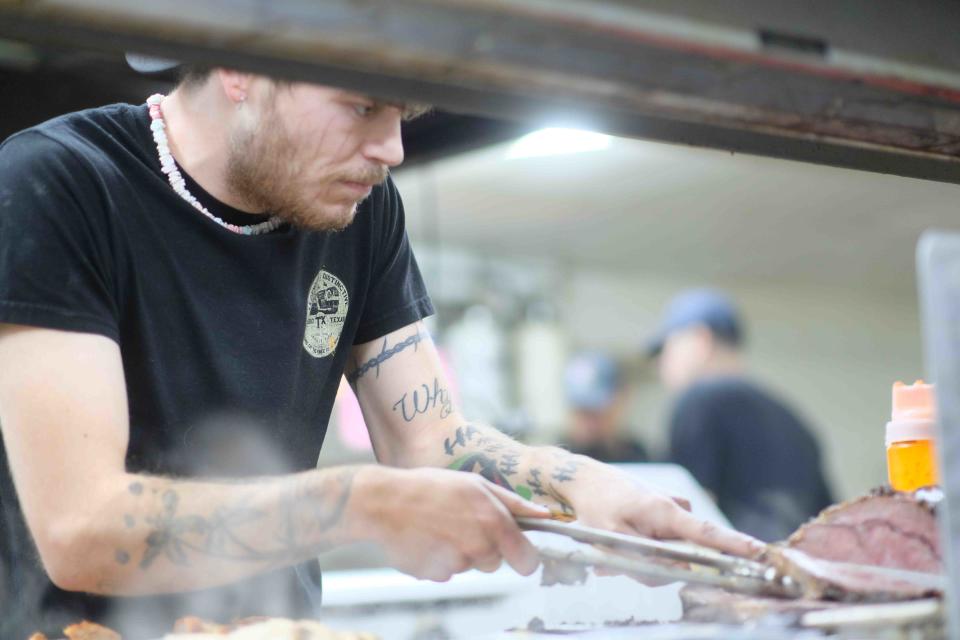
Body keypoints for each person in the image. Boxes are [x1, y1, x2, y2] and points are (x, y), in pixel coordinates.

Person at [0, 58, 762, 638]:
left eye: (402, 113)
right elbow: (79, 530)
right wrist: (363, 500)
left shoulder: (360, 218)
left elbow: (430, 442)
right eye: (362, 106)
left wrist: (584, 488)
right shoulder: (58, 187)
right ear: (237, 68)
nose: (392, 147)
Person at [646, 289, 835, 542]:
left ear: (700, 340)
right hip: (795, 572)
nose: (661, 365)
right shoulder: (793, 419)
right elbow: (829, 519)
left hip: (734, 571)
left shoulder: (699, 399)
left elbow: (682, 511)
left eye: (665, 350)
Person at [562, 352, 649, 463]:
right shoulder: (557, 458)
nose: (589, 423)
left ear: (622, 399)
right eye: (582, 412)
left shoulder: (636, 455)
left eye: (596, 412)